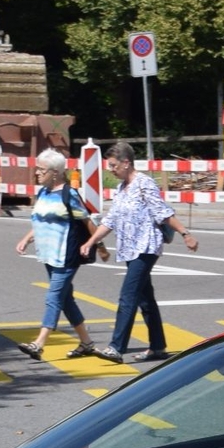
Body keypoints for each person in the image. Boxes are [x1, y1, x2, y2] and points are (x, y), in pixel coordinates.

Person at [83, 148, 199, 364]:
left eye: (114, 166)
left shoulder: (144, 183)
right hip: (129, 248)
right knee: (146, 299)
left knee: (128, 295)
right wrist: (91, 241)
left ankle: (116, 347)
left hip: (146, 247)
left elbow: (162, 212)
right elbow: (111, 220)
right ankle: (157, 347)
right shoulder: (121, 188)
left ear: (126, 163)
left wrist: (185, 233)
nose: (111, 170)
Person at [12, 149, 115, 362]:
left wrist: (99, 246)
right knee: (65, 299)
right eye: (37, 169)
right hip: (48, 254)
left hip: (66, 254)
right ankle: (86, 342)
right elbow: (41, 221)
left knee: (54, 297)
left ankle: (39, 343)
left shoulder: (69, 195)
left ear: (56, 172)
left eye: (41, 170)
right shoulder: (43, 193)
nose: (37, 173)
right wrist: (26, 239)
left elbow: (88, 222)